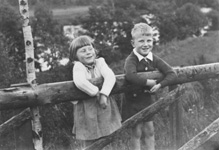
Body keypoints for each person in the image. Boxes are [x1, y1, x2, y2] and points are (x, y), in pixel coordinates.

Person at [123, 23, 176, 150]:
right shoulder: (131, 60)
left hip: (147, 101)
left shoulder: (154, 58)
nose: (146, 44)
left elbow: (172, 73)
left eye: (149, 40)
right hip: (133, 102)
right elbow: (130, 75)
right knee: (136, 132)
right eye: (141, 41)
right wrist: (149, 82)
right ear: (133, 43)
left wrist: (160, 85)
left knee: (150, 131)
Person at [69, 35, 122, 148]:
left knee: (107, 136)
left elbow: (110, 76)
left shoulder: (100, 62)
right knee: (89, 140)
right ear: (75, 56)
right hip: (87, 110)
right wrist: (96, 92)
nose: (88, 52)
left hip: (103, 105)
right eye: (83, 51)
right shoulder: (78, 66)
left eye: (90, 49)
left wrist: (104, 94)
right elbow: (80, 82)